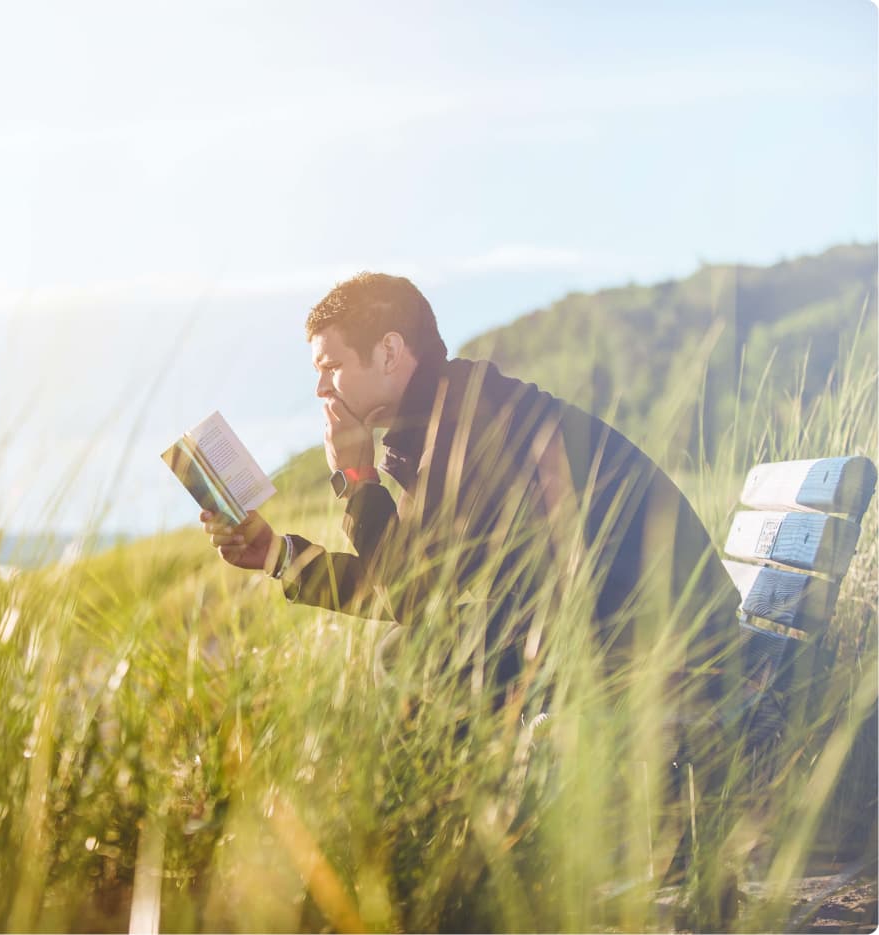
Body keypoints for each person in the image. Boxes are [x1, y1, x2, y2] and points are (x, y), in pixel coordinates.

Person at [200, 271, 743, 732]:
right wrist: (276, 554)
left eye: (331, 365)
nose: (320, 388)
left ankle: (477, 843)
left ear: (389, 351)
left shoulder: (471, 426)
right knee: (416, 648)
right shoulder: (445, 417)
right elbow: (411, 587)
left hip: (673, 653)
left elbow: (410, 596)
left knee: (410, 656)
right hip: (628, 632)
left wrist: (360, 478)